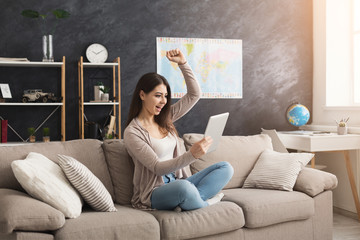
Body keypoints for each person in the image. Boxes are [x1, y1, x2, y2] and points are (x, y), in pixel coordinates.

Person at [124, 48, 233, 211]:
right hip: (155, 192)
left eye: (166, 96)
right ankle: (204, 202)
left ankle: (190, 200)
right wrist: (192, 155)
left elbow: (194, 95)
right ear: (142, 95)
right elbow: (156, 168)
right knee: (184, 189)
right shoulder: (132, 133)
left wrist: (183, 64)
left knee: (225, 168)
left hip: (178, 182)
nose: (163, 101)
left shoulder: (165, 119)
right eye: (158, 95)